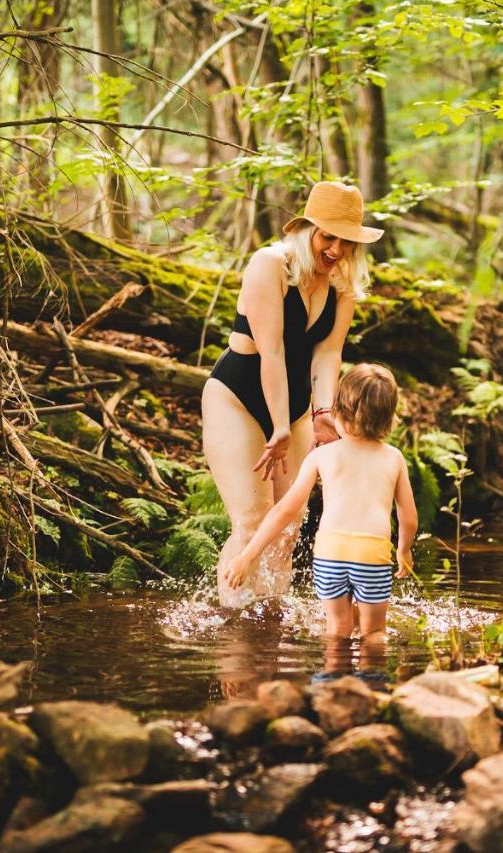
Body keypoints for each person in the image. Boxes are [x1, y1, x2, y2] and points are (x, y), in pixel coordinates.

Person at [203, 182, 384, 607]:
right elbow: (273, 352)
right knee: (251, 521)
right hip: (238, 397)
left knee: (288, 527)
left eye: (346, 241)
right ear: (307, 230)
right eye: (329, 237)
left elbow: (328, 354)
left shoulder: (342, 286)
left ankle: (270, 624)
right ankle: (234, 626)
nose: (336, 249)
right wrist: (279, 425)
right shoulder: (269, 264)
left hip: (298, 406)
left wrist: (324, 412)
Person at [224, 364, 417, 642]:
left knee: (337, 628)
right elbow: (408, 517)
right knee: (373, 632)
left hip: (330, 553)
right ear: (389, 417)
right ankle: (372, 682)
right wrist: (404, 550)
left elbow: (284, 510)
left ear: (338, 410)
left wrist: (247, 556)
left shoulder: (322, 456)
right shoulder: (393, 458)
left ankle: (330, 682)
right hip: (372, 552)